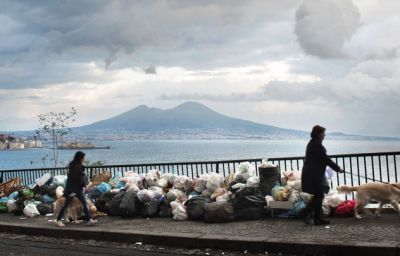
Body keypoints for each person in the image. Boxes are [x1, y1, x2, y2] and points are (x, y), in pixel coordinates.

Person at [300, 125, 344, 225]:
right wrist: (338, 169)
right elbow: (326, 159)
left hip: (312, 174)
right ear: (319, 134)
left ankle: (318, 219)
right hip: (313, 175)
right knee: (319, 195)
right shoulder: (317, 145)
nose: (324, 135)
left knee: (318, 195)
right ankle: (305, 212)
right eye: (323, 133)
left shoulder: (313, 143)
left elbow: (323, 159)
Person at [55, 151, 97, 227]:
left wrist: (83, 184)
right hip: (73, 190)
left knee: (84, 203)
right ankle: (58, 220)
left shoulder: (76, 166)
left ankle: (89, 220)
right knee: (66, 205)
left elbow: (79, 177)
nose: (84, 159)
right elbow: (76, 178)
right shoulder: (75, 167)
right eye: (83, 157)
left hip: (78, 189)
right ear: (80, 158)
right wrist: (84, 183)